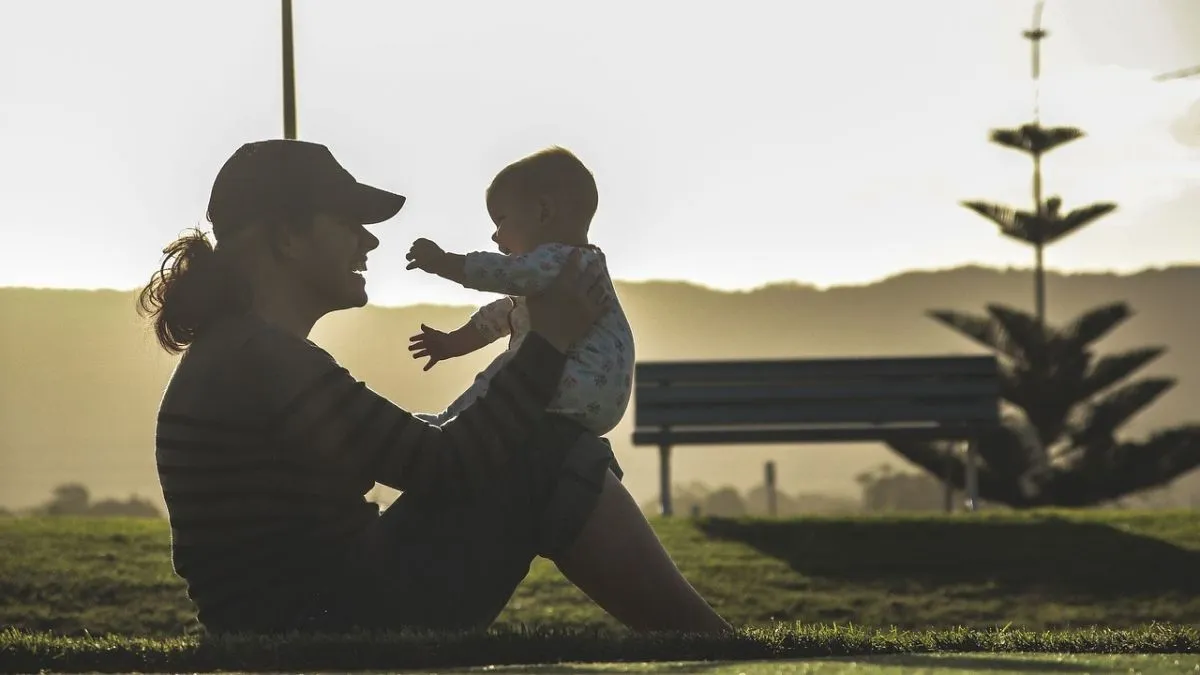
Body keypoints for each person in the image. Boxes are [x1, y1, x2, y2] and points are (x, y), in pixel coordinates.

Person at [138, 139, 730, 636]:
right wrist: (549, 340)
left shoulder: (241, 354)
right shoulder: (260, 360)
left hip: (311, 617)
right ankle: (717, 648)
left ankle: (711, 644)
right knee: (549, 448)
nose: (368, 242)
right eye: (349, 223)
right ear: (287, 237)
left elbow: (412, 449)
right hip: (329, 627)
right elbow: (446, 464)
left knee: (545, 444)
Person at [404, 146, 634, 439]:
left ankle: (449, 426)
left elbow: (502, 273)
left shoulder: (563, 260)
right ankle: (449, 423)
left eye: (500, 220)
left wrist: (443, 262)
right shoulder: (571, 272)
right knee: (513, 372)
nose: (495, 235)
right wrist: (451, 344)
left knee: (505, 374)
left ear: (543, 212)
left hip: (575, 383)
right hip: (597, 399)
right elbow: (503, 316)